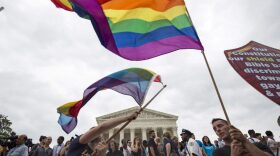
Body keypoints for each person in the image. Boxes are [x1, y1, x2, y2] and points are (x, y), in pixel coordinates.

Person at [66, 111, 139, 156]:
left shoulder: (96, 151)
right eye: (94, 132)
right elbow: (101, 128)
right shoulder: (78, 144)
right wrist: (128, 117)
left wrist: (102, 154)